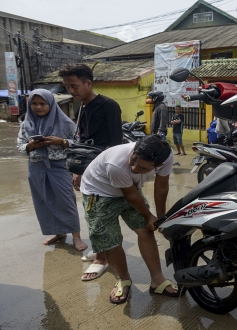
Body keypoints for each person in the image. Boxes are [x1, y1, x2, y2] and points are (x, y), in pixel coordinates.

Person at [80, 135, 178, 304]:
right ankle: (124, 279)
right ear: (134, 150)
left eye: (141, 168)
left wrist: (160, 219)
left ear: (158, 165)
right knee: (111, 241)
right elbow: (131, 195)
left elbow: (161, 186)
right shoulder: (116, 164)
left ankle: (157, 280)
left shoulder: (166, 157)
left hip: (129, 187)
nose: (133, 167)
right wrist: (148, 215)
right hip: (98, 192)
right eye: (133, 160)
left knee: (146, 230)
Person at [59, 63, 123, 281]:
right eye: (67, 87)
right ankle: (101, 252)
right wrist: (79, 171)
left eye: (74, 85)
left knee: (101, 216)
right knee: (91, 214)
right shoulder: (82, 108)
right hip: (88, 170)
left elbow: (115, 144)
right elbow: (83, 145)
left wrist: (102, 173)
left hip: (104, 172)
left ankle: (102, 259)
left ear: (89, 82)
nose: (71, 91)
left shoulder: (108, 106)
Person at [17, 89, 88, 251]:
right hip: (36, 167)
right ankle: (59, 232)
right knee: (44, 201)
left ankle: (76, 236)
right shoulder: (26, 124)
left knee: (66, 201)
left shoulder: (66, 123)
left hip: (59, 166)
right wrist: (30, 145)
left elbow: (78, 143)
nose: (38, 107)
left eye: (42, 103)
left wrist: (61, 141)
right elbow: (20, 146)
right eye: (34, 103)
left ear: (50, 104)